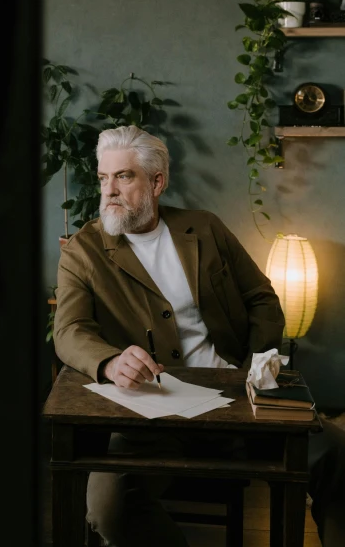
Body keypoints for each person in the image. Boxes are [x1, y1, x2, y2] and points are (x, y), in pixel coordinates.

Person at [54, 125, 345, 547]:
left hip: (239, 403)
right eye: (103, 177)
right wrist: (111, 362)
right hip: (149, 416)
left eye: (124, 176)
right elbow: (69, 330)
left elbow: (262, 298)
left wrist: (251, 367)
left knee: (336, 456)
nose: (109, 190)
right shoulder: (83, 251)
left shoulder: (204, 228)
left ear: (157, 182)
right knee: (108, 508)